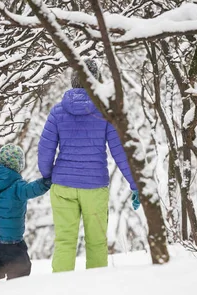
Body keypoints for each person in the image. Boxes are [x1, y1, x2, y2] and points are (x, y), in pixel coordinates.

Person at [38, 59, 140, 273]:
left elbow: (45, 149)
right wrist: (134, 183)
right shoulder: (105, 112)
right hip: (94, 187)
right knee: (96, 242)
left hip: (63, 186)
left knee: (65, 241)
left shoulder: (57, 112)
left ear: (73, 81)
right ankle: (97, 290)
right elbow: (120, 151)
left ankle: (61, 288)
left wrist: (48, 175)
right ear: (97, 82)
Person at [0, 144, 51, 286]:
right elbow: (34, 189)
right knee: (21, 267)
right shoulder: (18, 186)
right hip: (10, 241)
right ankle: (13, 291)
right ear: (19, 165)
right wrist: (47, 181)